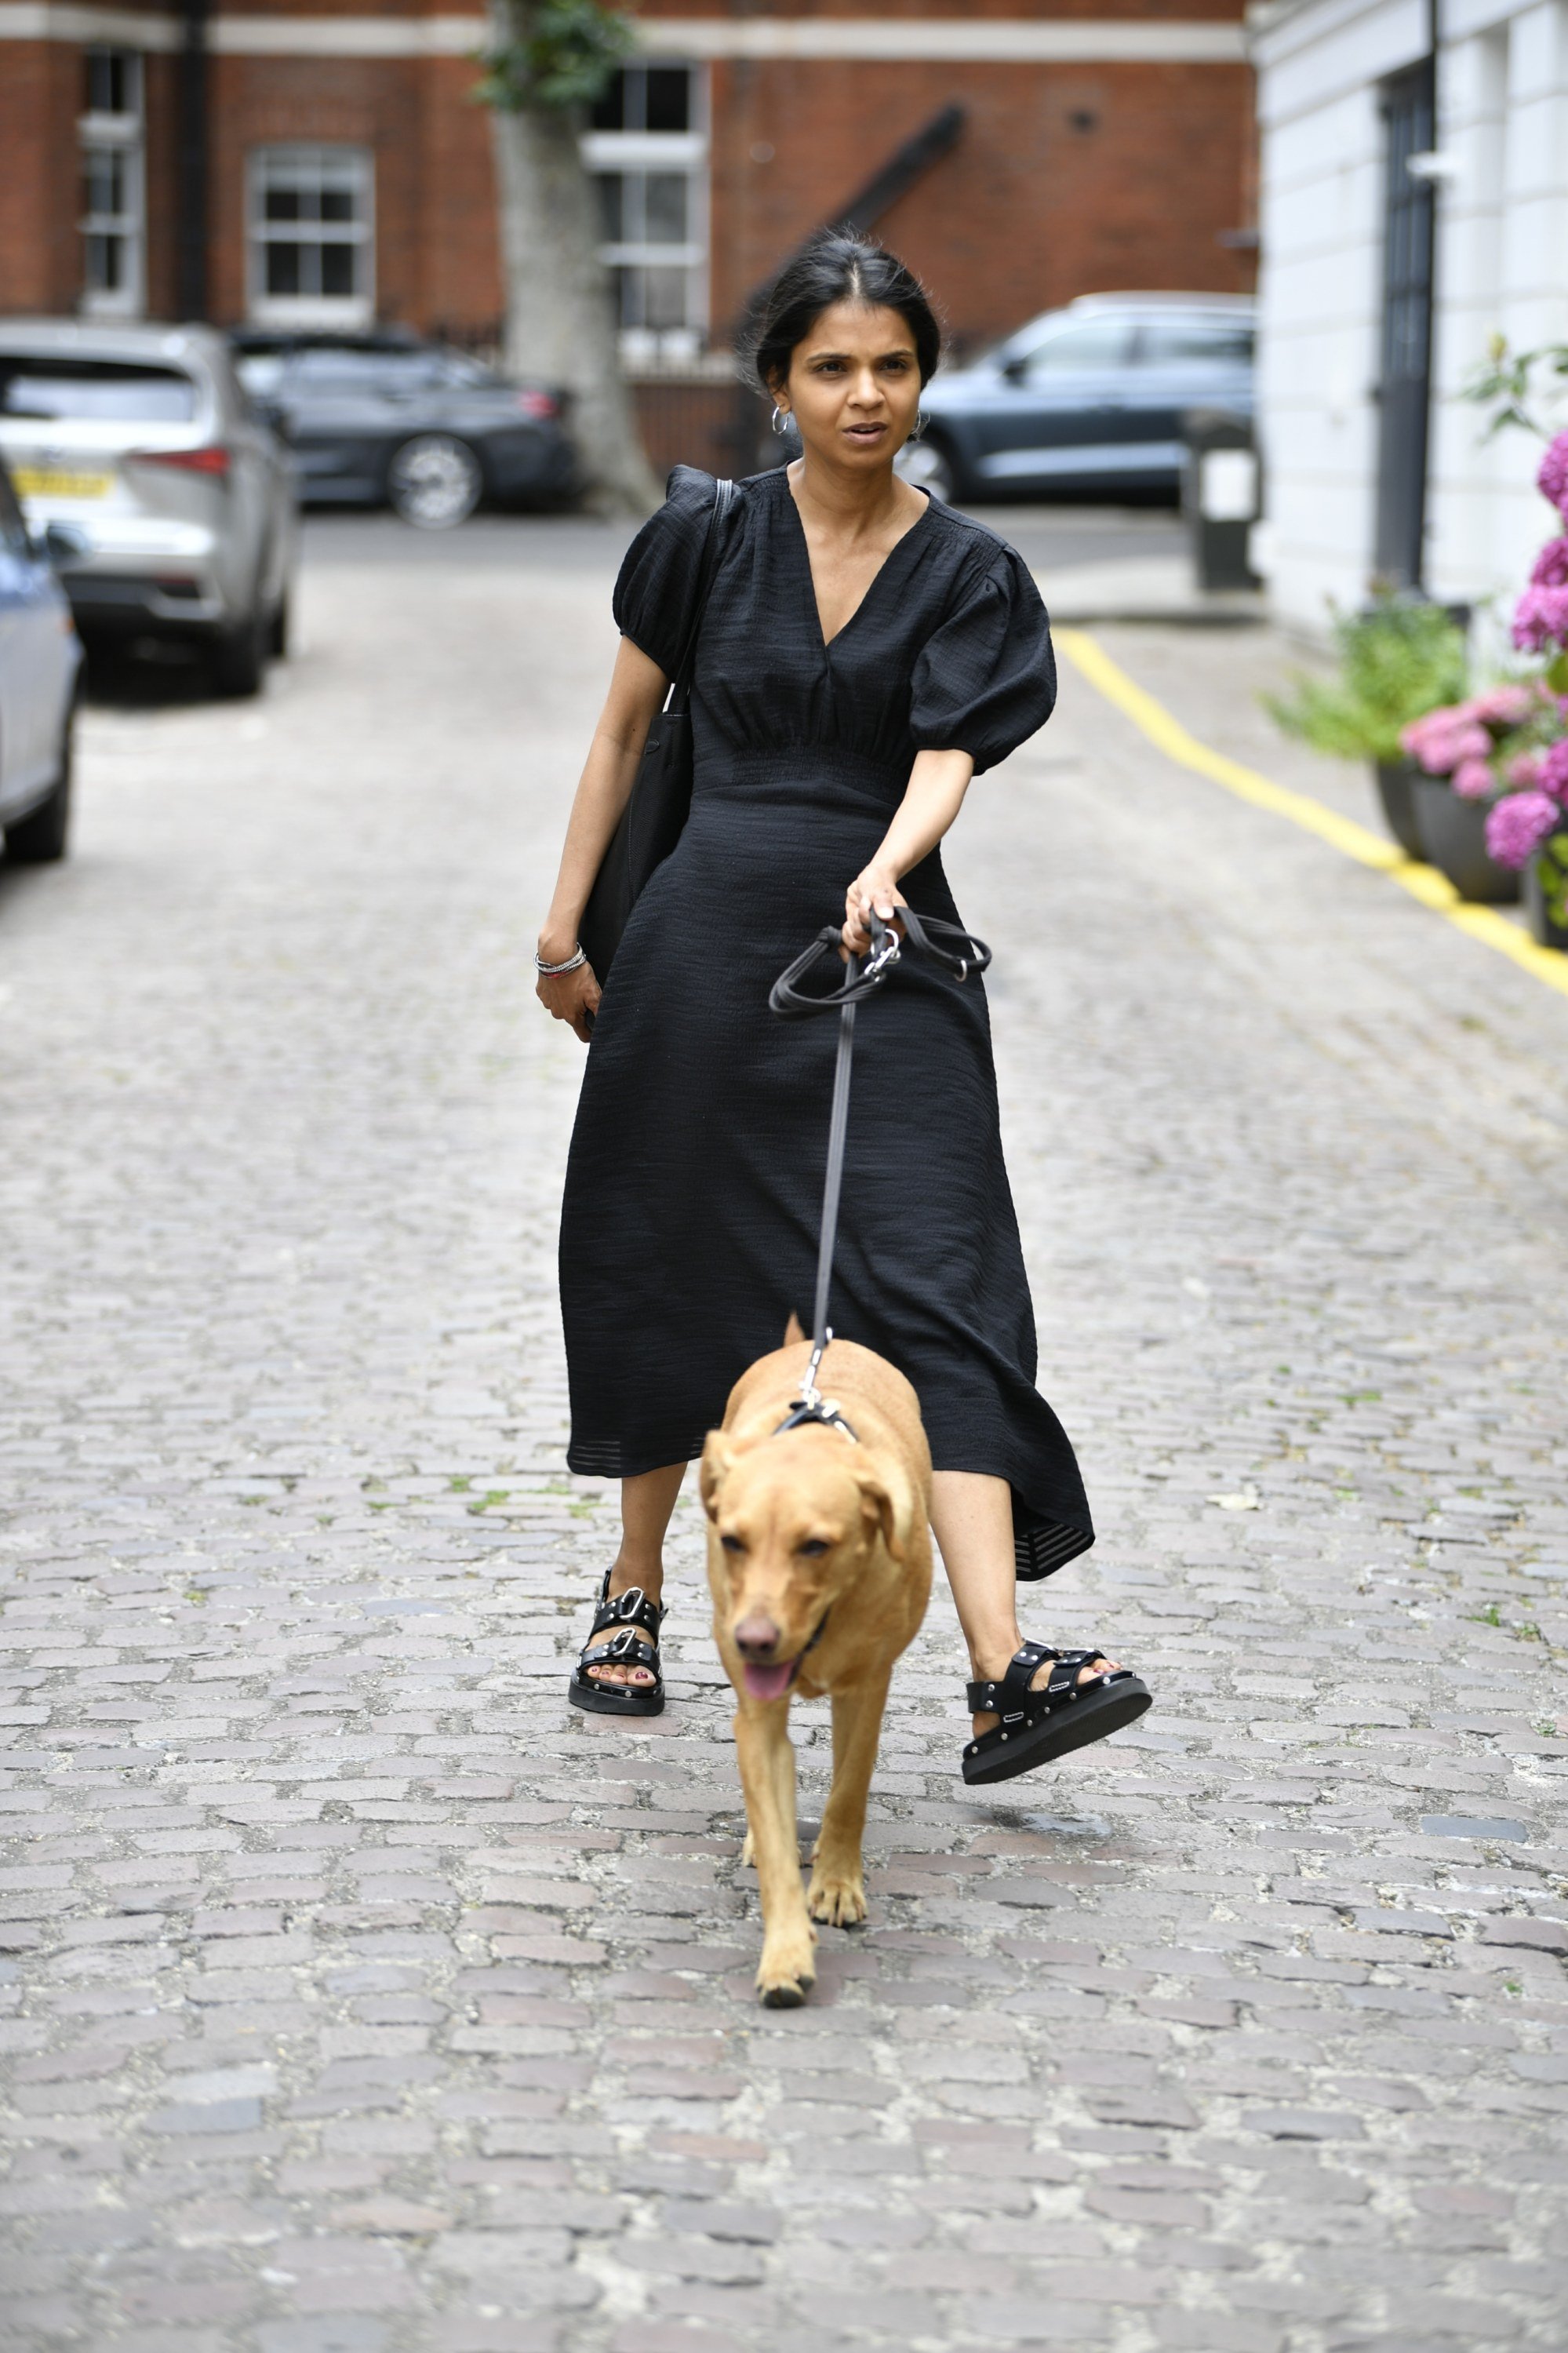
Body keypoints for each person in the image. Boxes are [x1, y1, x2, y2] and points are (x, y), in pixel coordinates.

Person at [535, 232, 1149, 1783]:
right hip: (694, 954)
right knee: (671, 1260)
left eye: (891, 365)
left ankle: (1004, 1670)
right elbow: (619, 740)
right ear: (779, 384)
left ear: (923, 378)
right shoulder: (704, 540)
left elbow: (947, 749)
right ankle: (635, 1589)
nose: (865, 394)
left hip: (886, 953)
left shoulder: (968, 572)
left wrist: (886, 864)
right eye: (832, 367)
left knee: (939, 1275)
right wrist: (561, 928)